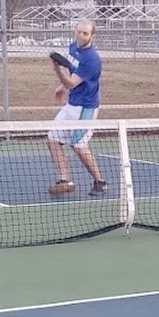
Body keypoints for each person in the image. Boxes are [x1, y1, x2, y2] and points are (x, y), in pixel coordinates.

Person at [47, 19, 107, 196]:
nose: (81, 36)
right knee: (52, 138)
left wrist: (57, 71)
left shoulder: (92, 60)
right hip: (71, 104)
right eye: (79, 32)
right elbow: (73, 73)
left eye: (85, 33)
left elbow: (72, 82)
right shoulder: (73, 47)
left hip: (85, 108)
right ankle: (65, 180)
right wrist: (61, 87)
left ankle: (100, 182)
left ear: (92, 36)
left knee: (78, 145)